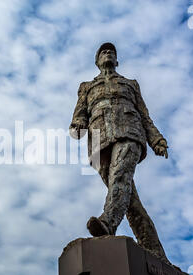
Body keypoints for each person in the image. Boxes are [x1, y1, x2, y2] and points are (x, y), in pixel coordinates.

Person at [69, 42, 169, 262]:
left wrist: (157, 140)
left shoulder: (131, 84)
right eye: (103, 52)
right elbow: (80, 114)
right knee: (130, 201)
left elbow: (145, 117)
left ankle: (108, 222)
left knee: (120, 177)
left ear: (117, 60)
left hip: (129, 133)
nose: (107, 54)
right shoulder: (86, 87)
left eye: (111, 52)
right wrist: (77, 125)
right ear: (97, 61)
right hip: (98, 142)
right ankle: (156, 252)